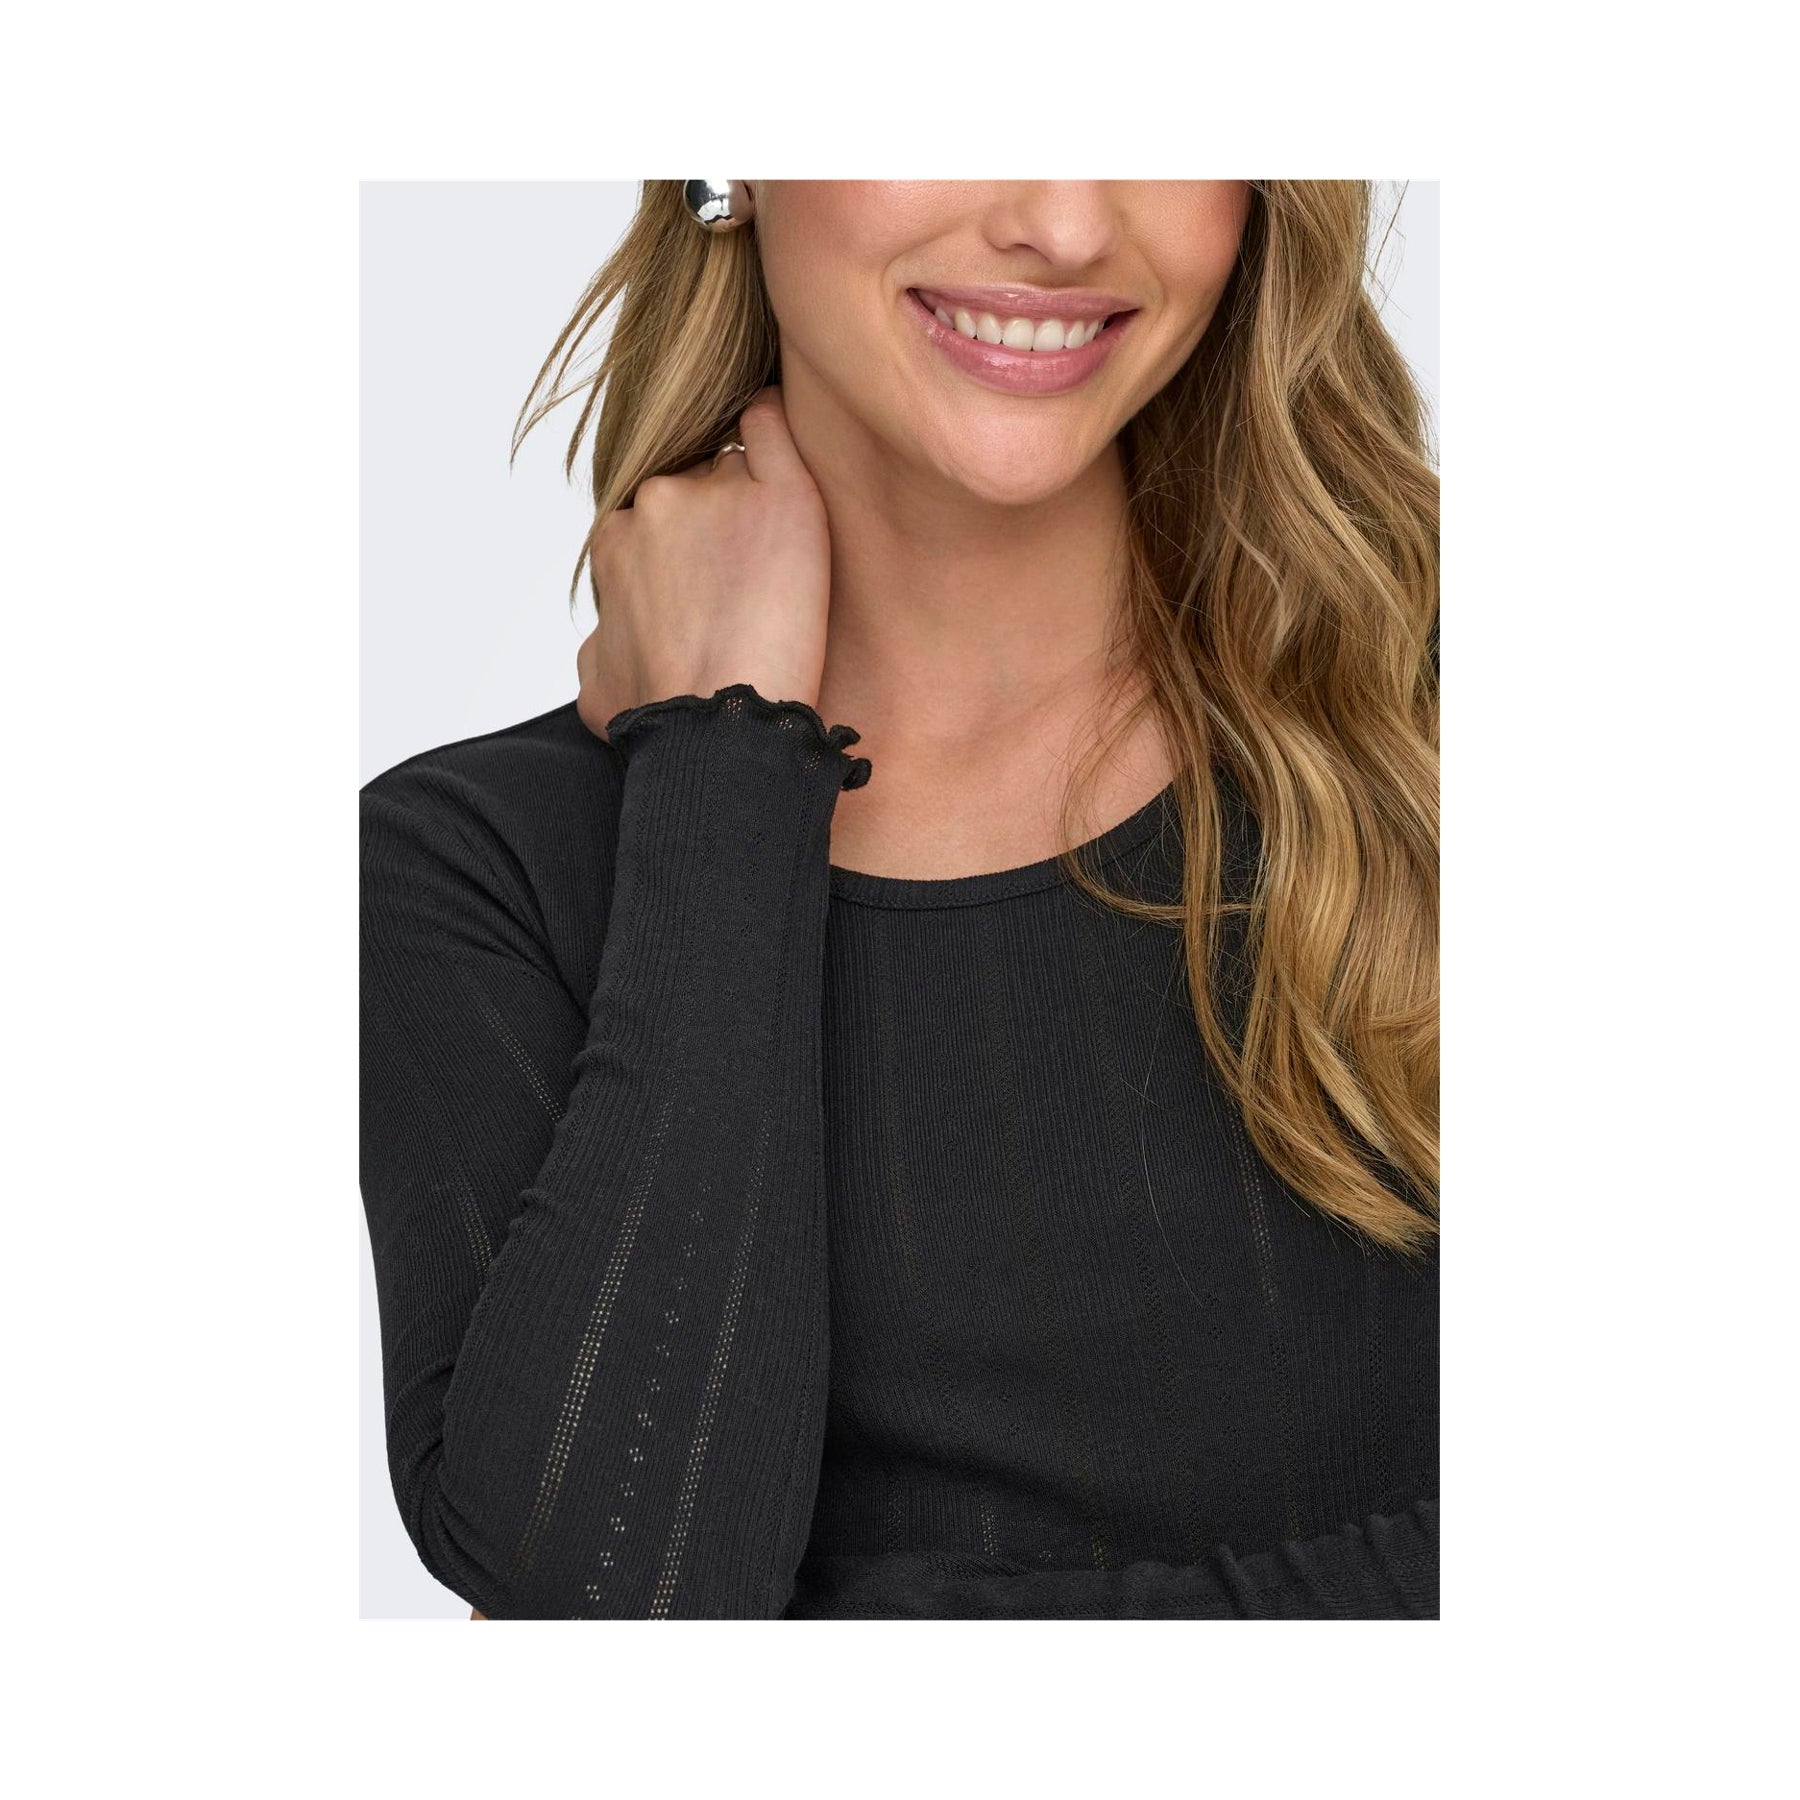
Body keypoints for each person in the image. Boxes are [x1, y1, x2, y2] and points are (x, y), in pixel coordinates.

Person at [359, 179, 1439, 1619]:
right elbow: (609, 1611)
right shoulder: (473, 870)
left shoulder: (1438, 745)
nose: (1067, 224)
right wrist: (725, 773)